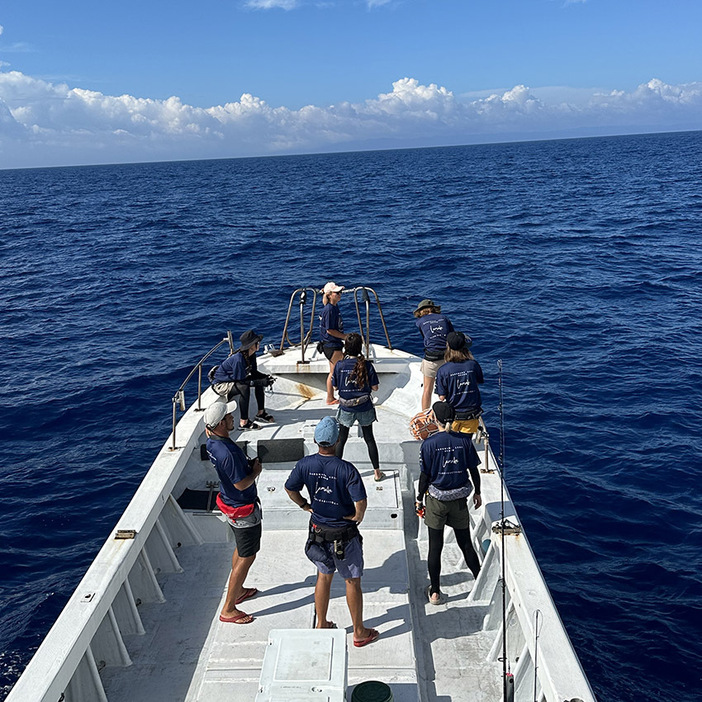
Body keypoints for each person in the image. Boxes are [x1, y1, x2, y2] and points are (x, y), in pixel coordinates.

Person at [285, 416, 379, 647]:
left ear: (316, 440)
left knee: (323, 577)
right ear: (337, 440)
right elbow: (361, 501)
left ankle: (321, 624)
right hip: (343, 535)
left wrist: (304, 505)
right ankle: (358, 631)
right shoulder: (346, 469)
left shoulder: (305, 464)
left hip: (318, 532)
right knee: (352, 581)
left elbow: (290, 488)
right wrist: (357, 517)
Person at [415, 401, 482, 605]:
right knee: (466, 544)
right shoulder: (464, 441)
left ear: (435, 419)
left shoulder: (428, 444)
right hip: (459, 501)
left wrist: (419, 499)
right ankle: (481, 580)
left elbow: (425, 476)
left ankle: (435, 592)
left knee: (435, 547)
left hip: (436, 501)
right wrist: (477, 492)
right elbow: (473, 470)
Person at [204, 401, 263, 624]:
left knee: (241, 548)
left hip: (230, 505)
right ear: (220, 423)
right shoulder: (227, 453)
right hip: (243, 509)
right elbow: (240, 484)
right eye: (228, 416)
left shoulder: (212, 442)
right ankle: (229, 608)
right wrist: (255, 471)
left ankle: (238, 591)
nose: (233, 418)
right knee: (248, 555)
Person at [333, 332, 384, 482]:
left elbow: (335, 387)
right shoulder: (367, 365)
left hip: (346, 408)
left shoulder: (339, 365)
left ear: (345, 348)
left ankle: (335, 472)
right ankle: (376, 472)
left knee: (341, 440)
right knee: (369, 439)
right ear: (360, 347)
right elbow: (375, 388)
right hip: (364, 407)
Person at [212, 329, 274, 431]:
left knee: (259, 380)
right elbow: (241, 382)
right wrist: (260, 382)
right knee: (244, 388)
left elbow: (253, 373)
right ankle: (244, 422)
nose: (258, 344)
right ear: (251, 346)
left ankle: (261, 413)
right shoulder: (238, 359)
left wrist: (265, 377)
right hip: (221, 384)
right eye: (256, 342)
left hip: (235, 379)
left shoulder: (251, 355)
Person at [435, 331, 484, 432]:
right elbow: (479, 381)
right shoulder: (473, 365)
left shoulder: (443, 370)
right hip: (472, 414)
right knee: (466, 441)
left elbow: (442, 397)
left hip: (453, 416)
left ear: (448, 346)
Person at [413, 299, 455, 411]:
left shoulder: (420, 322)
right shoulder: (444, 318)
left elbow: (425, 337)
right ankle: (451, 411)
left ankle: (424, 414)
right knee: (449, 387)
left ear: (421, 311)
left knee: (427, 389)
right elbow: (452, 336)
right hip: (447, 357)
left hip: (431, 358)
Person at [319, 281, 348, 405]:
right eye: (337, 292)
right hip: (331, 345)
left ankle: (330, 397)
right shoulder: (330, 310)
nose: (339, 294)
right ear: (330, 295)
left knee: (332, 371)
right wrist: (345, 337)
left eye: (340, 292)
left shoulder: (334, 307)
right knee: (344, 368)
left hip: (330, 344)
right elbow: (330, 330)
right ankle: (344, 394)